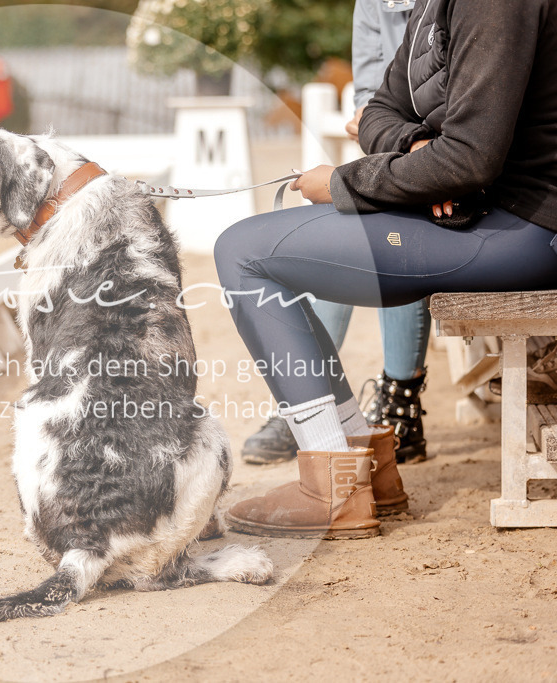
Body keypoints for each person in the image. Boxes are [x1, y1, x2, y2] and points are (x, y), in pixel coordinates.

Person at [213, 0, 557, 539]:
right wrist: (417, 150)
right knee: (249, 247)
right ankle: (364, 470)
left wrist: (344, 183)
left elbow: (470, 160)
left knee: (244, 253)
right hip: (481, 215)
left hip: (524, 229)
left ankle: (332, 486)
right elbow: (376, 111)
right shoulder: (428, 6)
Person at [241, 0, 431, 467]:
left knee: (388, 226)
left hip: (451, 151)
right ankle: (314, 402)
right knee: (347, 227)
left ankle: (393, 403)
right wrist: (389, 132)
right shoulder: (373, 3)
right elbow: (368, 95)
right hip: (399, 141)